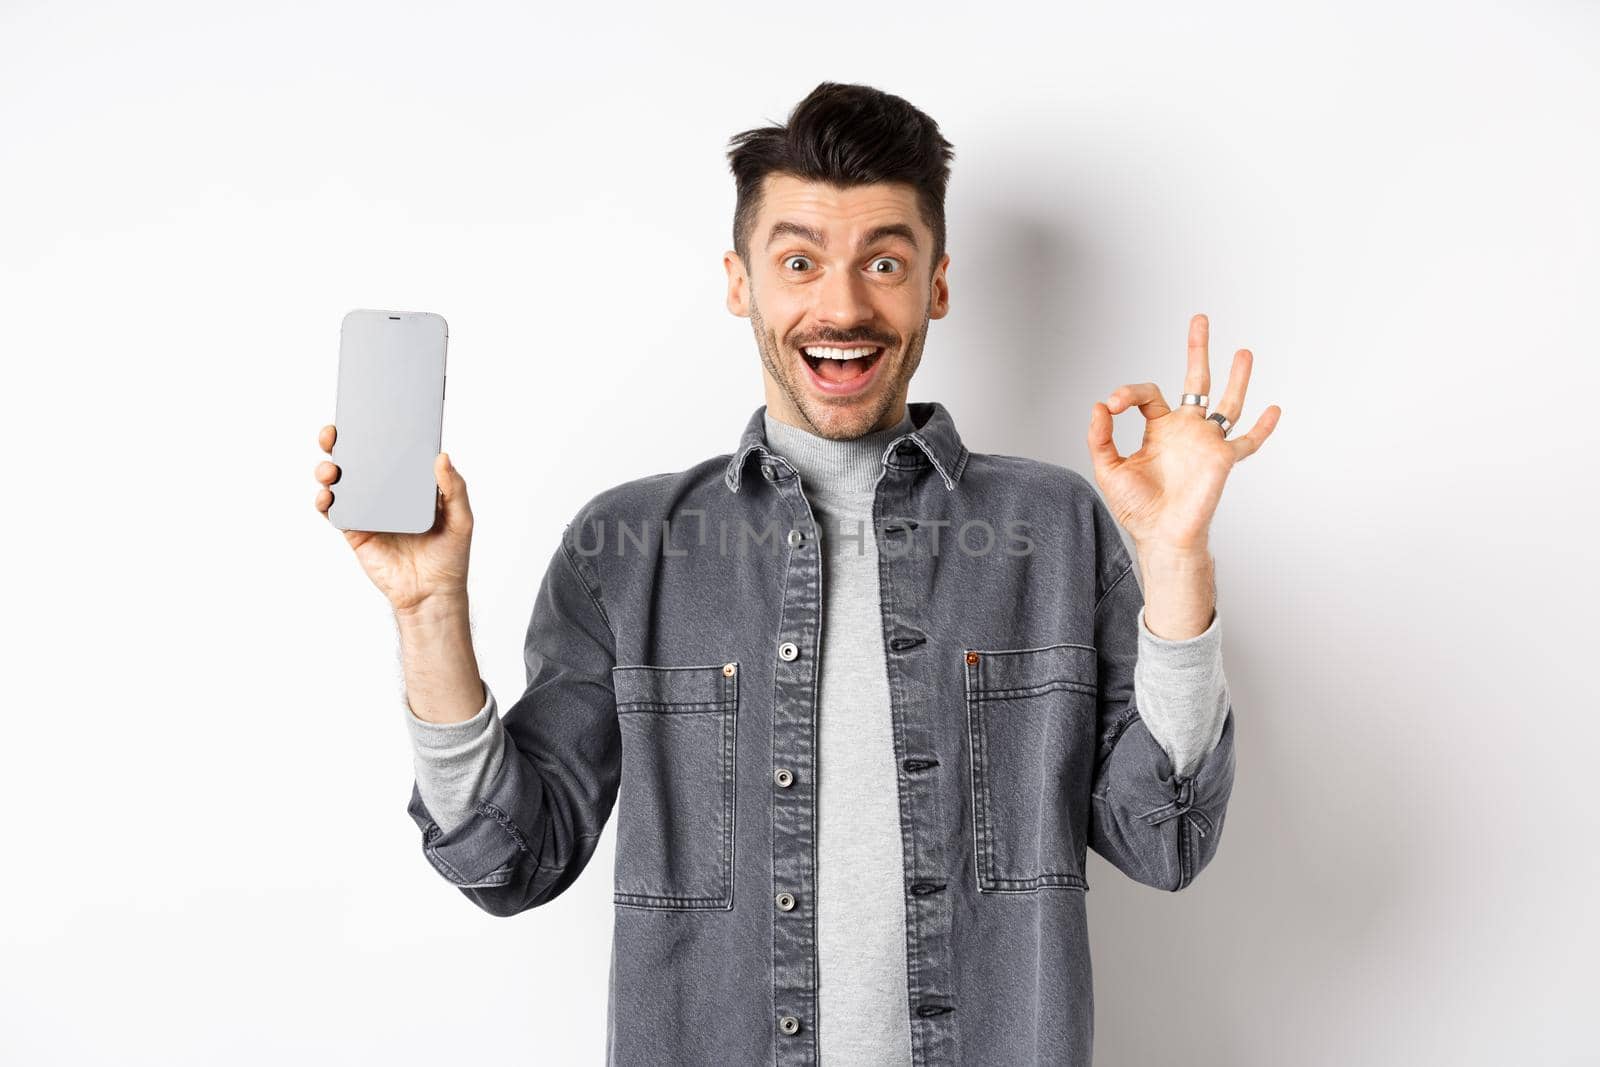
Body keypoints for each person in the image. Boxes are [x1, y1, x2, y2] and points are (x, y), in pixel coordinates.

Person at [313, 81, 1279, 1066]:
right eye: (799, 260)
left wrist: (1175, 558)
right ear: (741, 282)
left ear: (937, 284)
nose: (843, 304)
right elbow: (510, 860)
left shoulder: (1055, 528)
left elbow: (1164, 838)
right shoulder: (628, 546)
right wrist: (428, 609)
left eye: (885, 261)